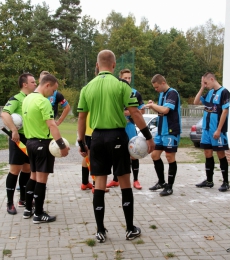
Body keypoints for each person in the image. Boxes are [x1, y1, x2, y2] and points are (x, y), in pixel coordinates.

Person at [77, 50, 155, 243]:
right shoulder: (122, 86)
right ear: (113, 66)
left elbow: (81, 117)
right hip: (118, 137)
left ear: (97, 65)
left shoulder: (87, 88)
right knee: (124, 182)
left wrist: (81, 142)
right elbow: (135, 113)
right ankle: (129, 229)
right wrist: (148, 137)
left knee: (99, 184)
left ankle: (100, 230)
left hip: (96, 138)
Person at [22, 74, 69, 223]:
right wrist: (62, 146)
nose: (53, 94)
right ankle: (39, 214)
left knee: (33, 177)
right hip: (43, 144)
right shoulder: (43, 102)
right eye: (53, 90)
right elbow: (52, 125)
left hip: (30, 143)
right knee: (41, 180)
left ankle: (28, 209)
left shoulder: (27, 99)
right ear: (47, 85)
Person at [2, 73, 37, 215]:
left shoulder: (33, 98)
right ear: (25, 84)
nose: (35, 84)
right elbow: (4, 114)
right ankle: (9, 203)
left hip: (30, 138)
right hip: (18, 139)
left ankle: (23, 199)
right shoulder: (16, 99)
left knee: (27, 169)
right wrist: (14, 130)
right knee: (15, 170)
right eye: (33, 82)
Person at [107, 69, 145, 190]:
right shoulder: (115, 91)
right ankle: (115, 179)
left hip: (129, 126)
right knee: (116, 153)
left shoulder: (135, 93)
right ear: (120, 78)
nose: (128, 80)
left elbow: (142, 110)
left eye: (129, 78)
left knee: (134, 153)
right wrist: (124, 112)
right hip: (117, 126)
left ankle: (136, 180)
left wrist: (130, 112)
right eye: (125, 78)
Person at [145, 74, 181, 196]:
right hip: (161, 131)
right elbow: (160, 111)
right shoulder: (162, 94)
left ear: (162, 83)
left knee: (170, 157)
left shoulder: (172, 93)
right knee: (155, 155)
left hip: (171, 130)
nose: (156, 90)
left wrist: (152, 105)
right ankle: (161, 182)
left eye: (156, 87)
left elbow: (166, 110)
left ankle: (169, 187)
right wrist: (154, 105)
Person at [194, 72, 230, 192]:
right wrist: (202, 87)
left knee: (220, 154)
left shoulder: (224, 92)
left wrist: (219, 129)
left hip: (217, 130)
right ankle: (209, 180)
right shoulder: (209, 92)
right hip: (206, 130)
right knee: (207, 154)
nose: (205, 85)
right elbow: (196, 102)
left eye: (206, 82)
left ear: (212, 79)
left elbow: (225, 111)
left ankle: (226, 182)